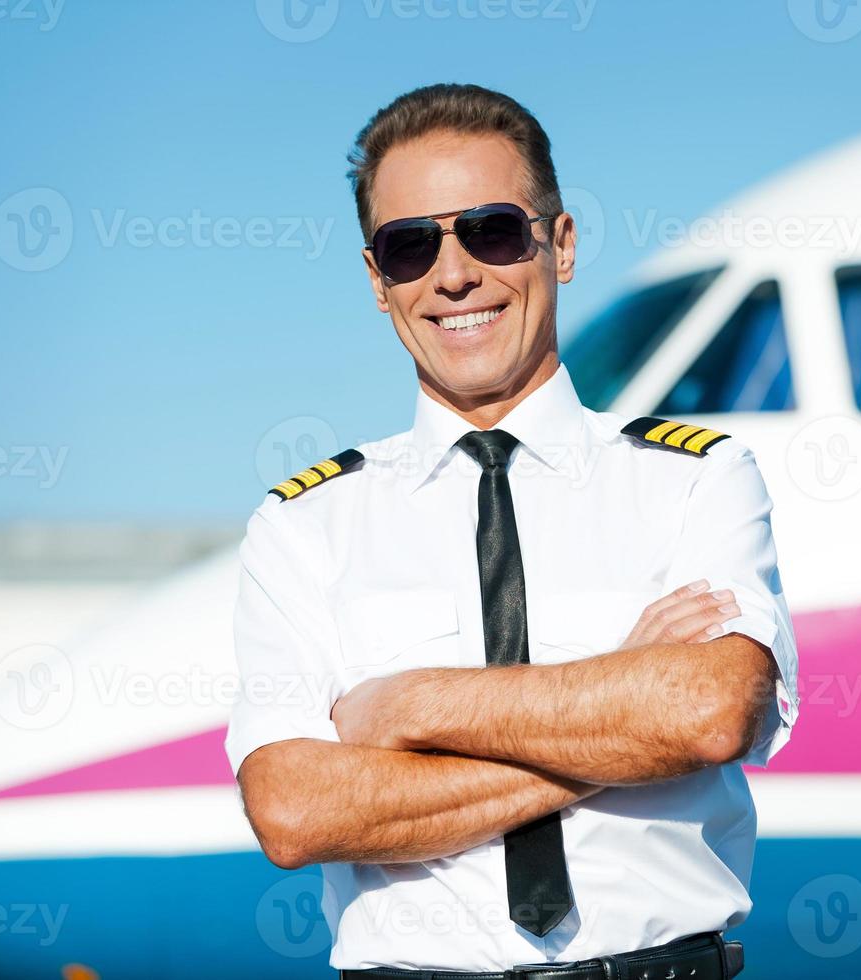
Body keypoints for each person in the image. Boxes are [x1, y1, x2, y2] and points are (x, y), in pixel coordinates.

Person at [224, 82, 800, 980]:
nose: (452, 275)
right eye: (409, 246)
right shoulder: (303, 526)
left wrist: (408, 708)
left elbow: (707, 709)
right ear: (379, 283)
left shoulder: (696, 478)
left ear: (559, 245)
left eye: (490, 229)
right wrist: (617, 705)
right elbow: (296, 812)